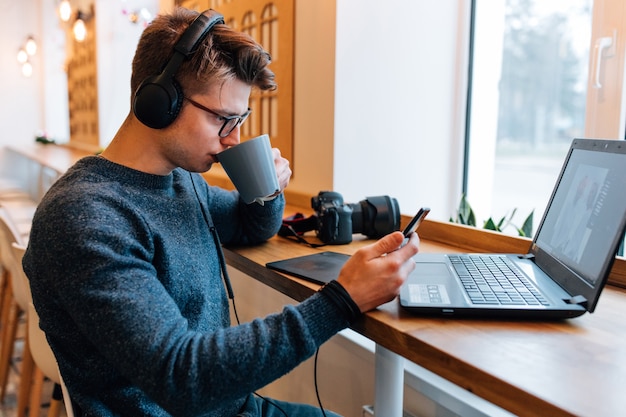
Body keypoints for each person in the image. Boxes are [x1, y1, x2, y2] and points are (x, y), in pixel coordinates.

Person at [23, 7, 420, 417]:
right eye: (223, 120)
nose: (233, 140)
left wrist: (265, 185)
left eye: (240, 119)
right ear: (159, 101)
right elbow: (182, 376)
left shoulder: (182, 181)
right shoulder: (84, 216)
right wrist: (343, 300)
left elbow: (250, 225)